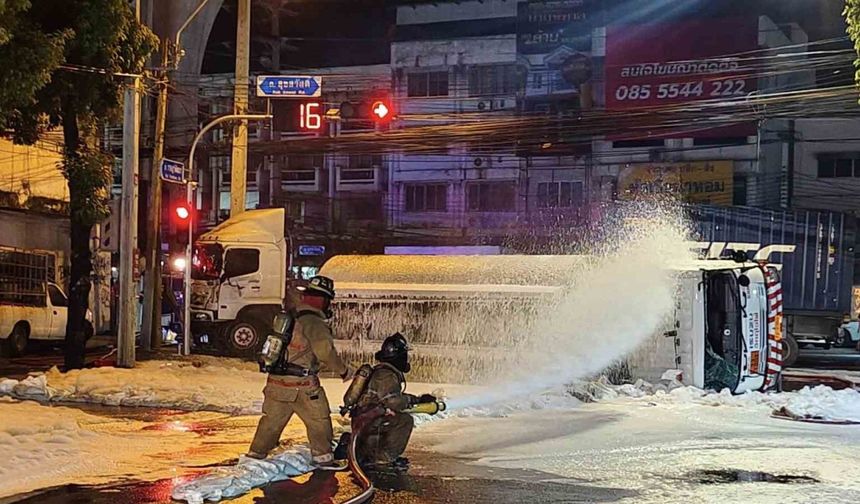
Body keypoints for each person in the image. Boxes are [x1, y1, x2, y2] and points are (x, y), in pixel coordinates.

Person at [248, 275, 351, 469]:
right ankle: (324, 460)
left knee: (270, 423)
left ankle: (255, 456)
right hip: (303, 386)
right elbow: (324, 351)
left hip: (276, 382)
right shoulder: (313, 321)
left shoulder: (289, 317)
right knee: (319, 421)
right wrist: (343, 371)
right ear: (323, 300)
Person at [352, 333, 435, 471]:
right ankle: (382, 459)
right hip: (369, 421)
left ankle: (369, 451)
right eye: (404, 355)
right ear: (398, 357)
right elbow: (392, 401)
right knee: (404, 421)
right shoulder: (386, 375)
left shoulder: (383, 371)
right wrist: (411, 400)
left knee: (393, 418)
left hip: (366, 420)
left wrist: (418, 399)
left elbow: (390, 397)